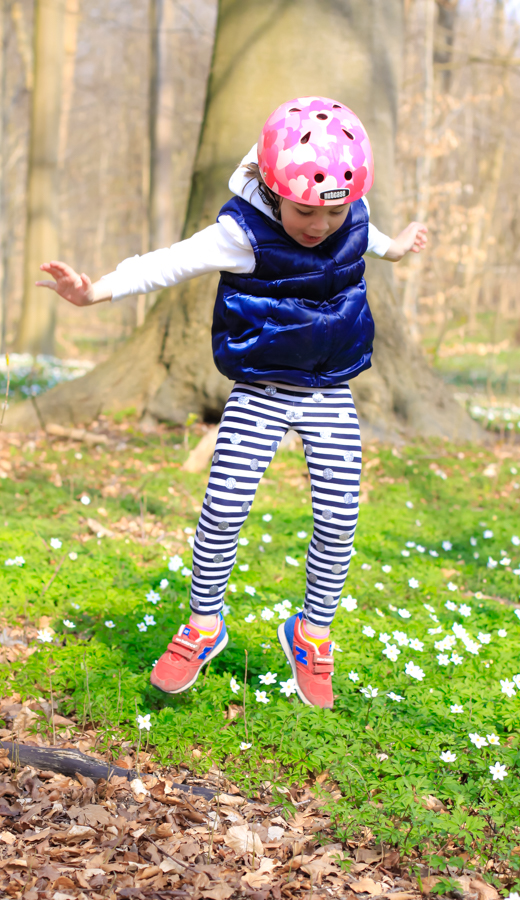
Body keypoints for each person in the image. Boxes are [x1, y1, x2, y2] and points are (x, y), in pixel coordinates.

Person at [37, 97, 427, 709]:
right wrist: (95, 292)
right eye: (305, 211)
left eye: (334, 211)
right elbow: (169, 263)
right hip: (260, 391)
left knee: (340, 516)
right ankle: (204, 624)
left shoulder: (351, 213)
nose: (321, 226)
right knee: (223, 508)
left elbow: (367, 236)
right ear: (273, 188)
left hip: (329, 389)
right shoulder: (241, 234)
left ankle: (312, 633)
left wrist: (397, 248)